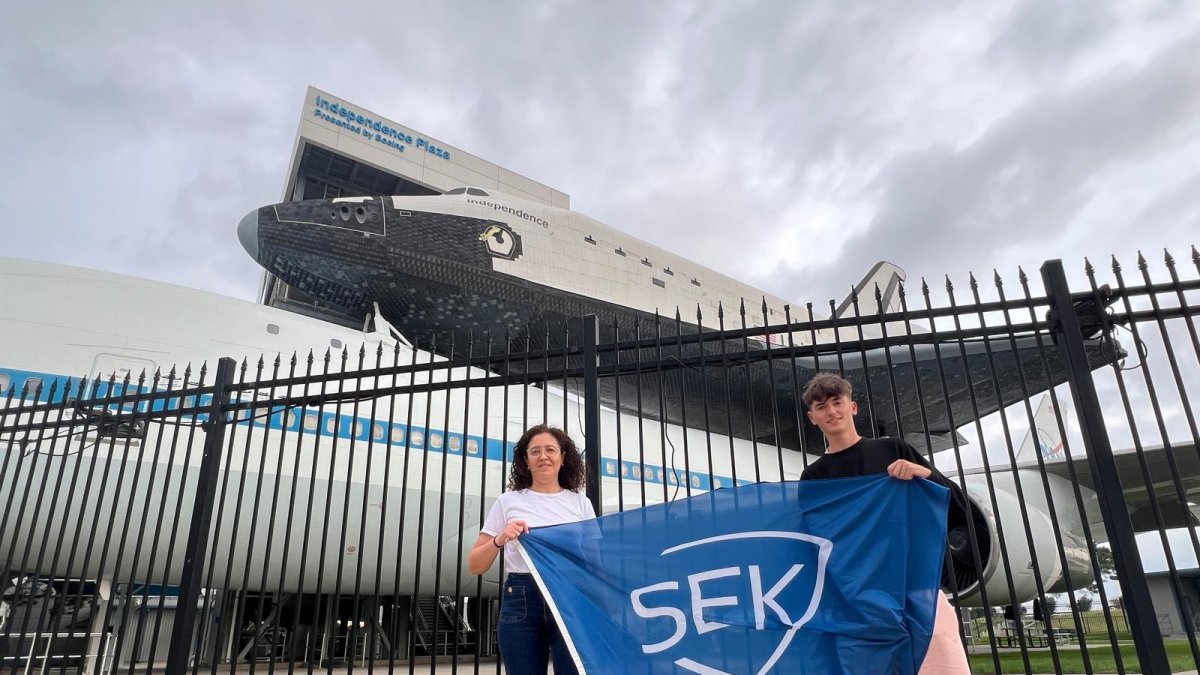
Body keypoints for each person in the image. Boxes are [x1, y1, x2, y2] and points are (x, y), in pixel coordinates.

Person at [800, 373, 972, 674]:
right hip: (857, 596)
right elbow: (814, 541)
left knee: (941, 659)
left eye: (837, 403)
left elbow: (952, 503)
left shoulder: (893, 450)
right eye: (822, 407)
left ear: (852, 407)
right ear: (812, 417)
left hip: (914, 585)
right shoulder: (813, 477)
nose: (831, 412)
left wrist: (924, 473)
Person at [467, 424, 595, 674]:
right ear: (525, 460)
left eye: (550, 450)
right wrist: (500, 538)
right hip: (522, 597)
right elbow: (475, 565)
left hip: (569, 596)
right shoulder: (508, 501)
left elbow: (595, 562)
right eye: (535, 451)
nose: (543, 456)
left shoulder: (580, 503)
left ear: (563, 457)